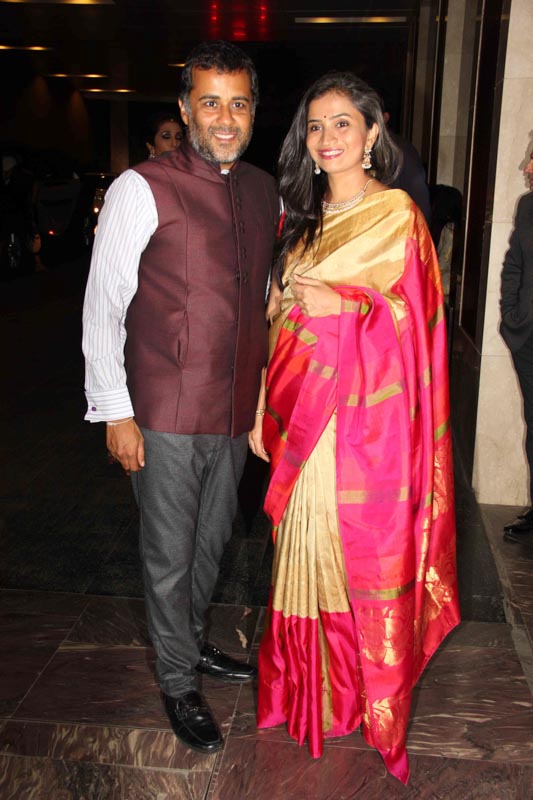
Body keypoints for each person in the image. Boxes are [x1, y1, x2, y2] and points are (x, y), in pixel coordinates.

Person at [249, 71, 460, 784]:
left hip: (362, 427)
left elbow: (418, 326)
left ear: (373, 132)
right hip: (298, 419)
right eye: (315, 126)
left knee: (352, 558)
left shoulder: (397, 216)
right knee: (299, 552)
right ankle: (305, 692)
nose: (327, 137)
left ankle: (355, 697)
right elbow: (277, 325)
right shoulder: (300, 222)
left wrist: (348, 308)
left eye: (343, 122)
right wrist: (261, 409)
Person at [82, 40, 279, 755]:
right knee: (169, 553)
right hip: (162, 410)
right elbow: (103, 304)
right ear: (185, 108)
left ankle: (190, 643)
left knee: (211, 542)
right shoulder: (142, 186)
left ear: (253, 110)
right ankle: (175, 679)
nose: (225, 117)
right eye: (210, 102)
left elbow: (262, 297)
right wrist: (114, 410)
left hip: (232, 411)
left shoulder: (264, 190)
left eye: (238, 103)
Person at [500, 148, 533, 540]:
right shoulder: (527, 206)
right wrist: (511, 313)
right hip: (527, 337)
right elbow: (514, 265)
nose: (526, 166)